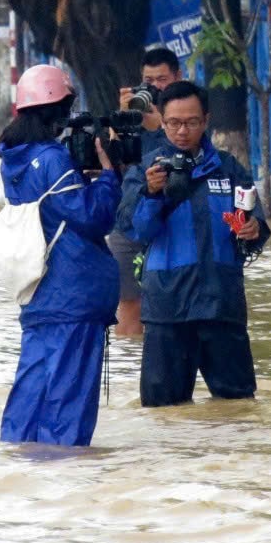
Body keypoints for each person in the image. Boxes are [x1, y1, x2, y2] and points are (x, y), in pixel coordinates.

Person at [116, 80, 270, 408]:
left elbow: (256, 226)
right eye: (173, 123)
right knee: (163, 411)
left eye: (191, 122)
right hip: (167, 308)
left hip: (221, 304)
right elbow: (135, 231)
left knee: (238, 407)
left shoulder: (229, 169)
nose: (182, 131)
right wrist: (151, 193)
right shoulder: (146, 169)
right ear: (161, 118)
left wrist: (253, 228)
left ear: (206, 120)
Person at [0, 64, 122, 446]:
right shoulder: (52, 159)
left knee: (31, 390)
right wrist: (109, 174)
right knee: (69, 398)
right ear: (59, 109)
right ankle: (64, 479)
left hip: (39, 293)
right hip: (74, 294)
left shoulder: (13, 160)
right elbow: (92, 217)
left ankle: (21, 472)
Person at [107, 46, 182, 338]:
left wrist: (162, 126)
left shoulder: (188, 110)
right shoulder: (135, 116)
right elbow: (113, 164)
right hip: (129, 220)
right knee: (129, 307)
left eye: (161, 79)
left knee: (176, 307)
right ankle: (129, 370)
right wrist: (121, 121)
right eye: (148, 80)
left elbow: (194, 155)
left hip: (173, 223)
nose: (154, 86)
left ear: (177, 76)